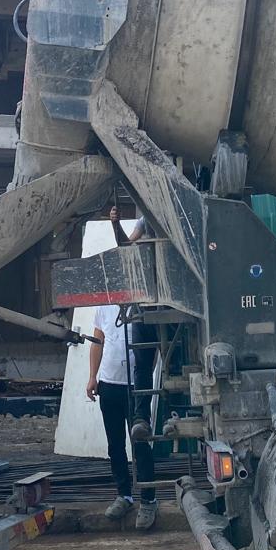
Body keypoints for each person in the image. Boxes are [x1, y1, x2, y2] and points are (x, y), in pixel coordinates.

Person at [86, 205, 157, 529]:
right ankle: (124, 495)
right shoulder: (104, 304)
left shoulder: (144, 302)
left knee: (140, 442)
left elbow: (153, 348)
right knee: (115, 445)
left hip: (135, 385)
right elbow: (97, 341)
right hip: (109, 382)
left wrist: (116, 226)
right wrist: (92, 377)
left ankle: (149, 501)